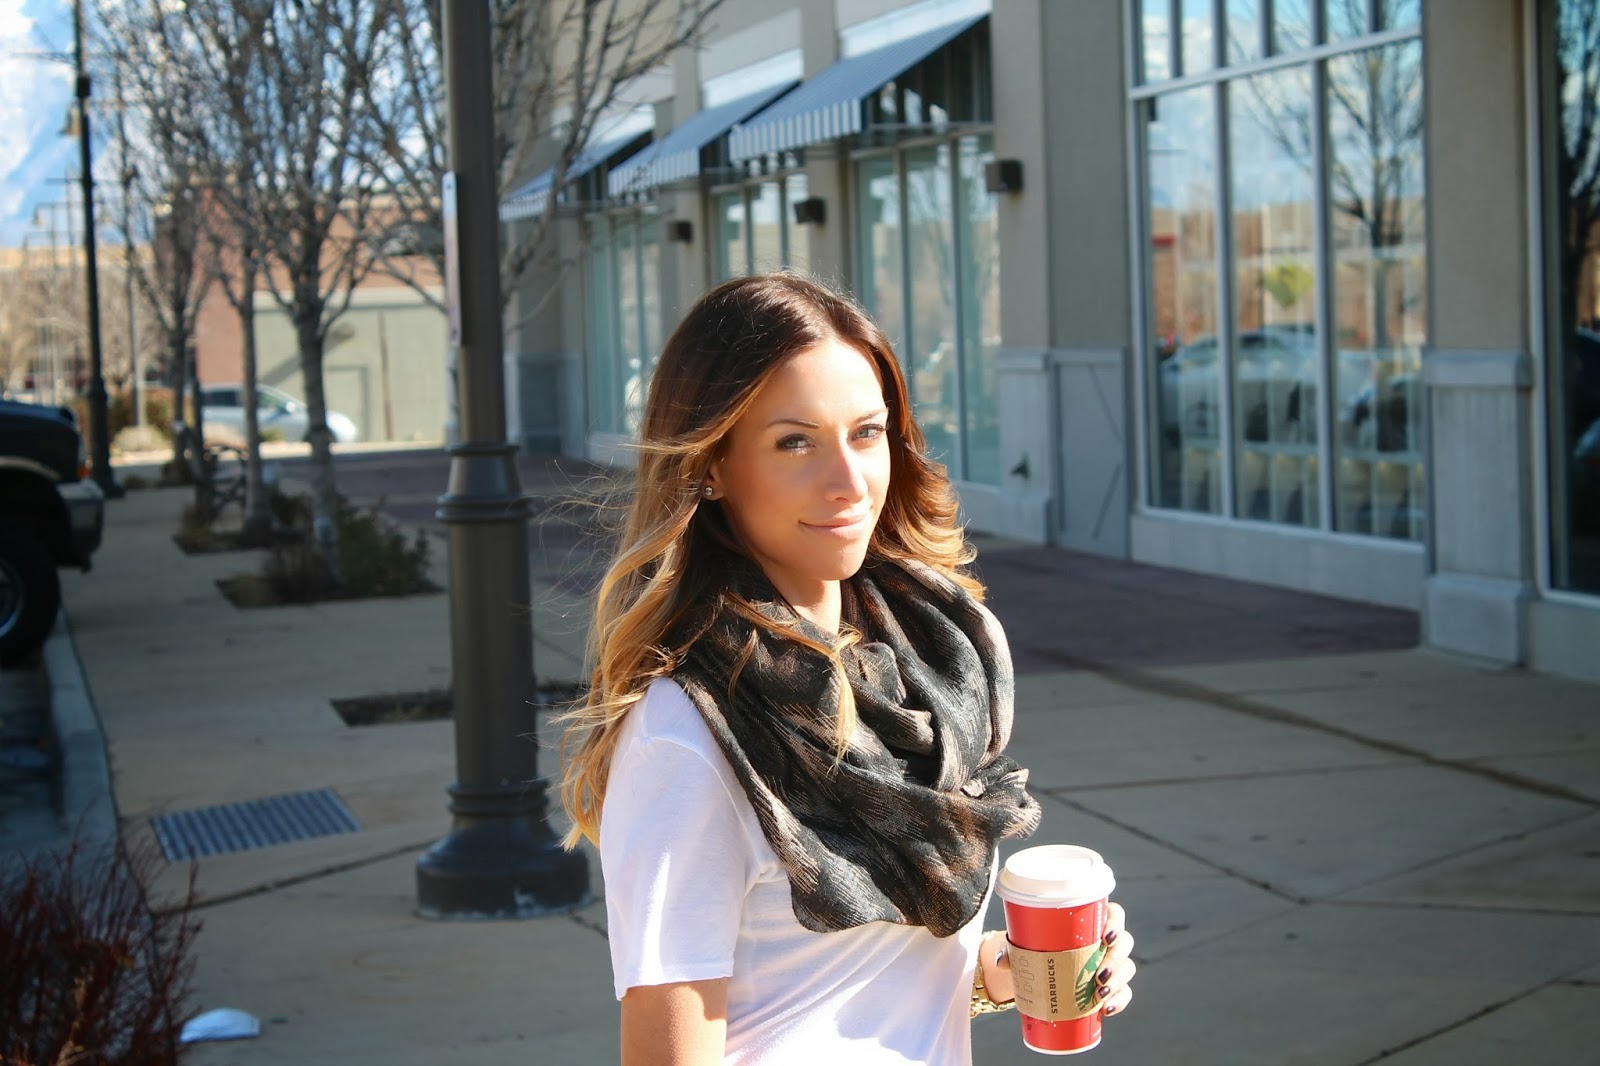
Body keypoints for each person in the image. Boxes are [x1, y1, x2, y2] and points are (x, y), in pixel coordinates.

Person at [559, 273, 1136, 1064]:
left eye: (866, 433)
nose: (849, 481)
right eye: (795, 442)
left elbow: (838, 994)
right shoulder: (686, 734)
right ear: (713, 465)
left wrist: (996, 975)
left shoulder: (921, 674)